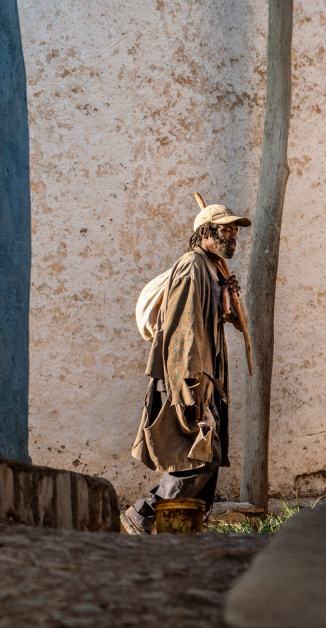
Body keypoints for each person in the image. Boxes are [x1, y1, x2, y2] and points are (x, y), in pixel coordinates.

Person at [121, 204, 251, 535]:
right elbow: (182, 331)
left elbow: (226, 323)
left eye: (235, 230)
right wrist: (191, 387)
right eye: (225, 229)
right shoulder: (192, 267)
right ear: (204, 232)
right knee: (201, 456)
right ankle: (143, 516)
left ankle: (181, 529)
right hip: (190, 379)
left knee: (205, 456)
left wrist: (230, 299)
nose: (233, 234)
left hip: (207, 380)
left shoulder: (212, 270)